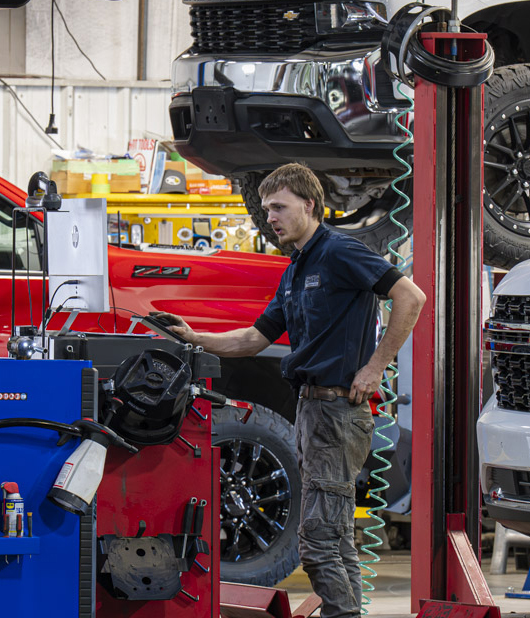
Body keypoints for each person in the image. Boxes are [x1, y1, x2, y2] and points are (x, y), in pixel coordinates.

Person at [153, 163, 425, 618]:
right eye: (266, 209)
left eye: (279, 207)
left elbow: (410, 297)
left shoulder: (340, 252)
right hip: (311, 411)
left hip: (339, 413)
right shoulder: (295, 270)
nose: (271, 217)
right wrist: (194, 337)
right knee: (335, 539)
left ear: (309, 205)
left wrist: (376, 367)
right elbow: (254, 339)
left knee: (317, 543)